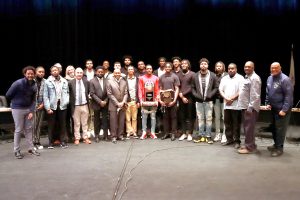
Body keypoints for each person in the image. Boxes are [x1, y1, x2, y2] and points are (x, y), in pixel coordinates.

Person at [6, 66, 40, 159]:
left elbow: (34, 99)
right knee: (18, 130)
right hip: (17, 109)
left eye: (32, 74)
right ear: (25, 74)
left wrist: (31, 111)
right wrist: (17, 101)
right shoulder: (18, 83)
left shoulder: (34, 84)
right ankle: (16, 150)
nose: (30, 75)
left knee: (29, 129)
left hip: (28, 109)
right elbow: (8, 95)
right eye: (28, 73)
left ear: (34, 74)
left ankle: (31, 148)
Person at [264, 62, 293, 157]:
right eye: (272, 68)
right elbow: (268, 92)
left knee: (280, 129)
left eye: (276, 68)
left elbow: (288, 96)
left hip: (282, 110)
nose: (274, 70)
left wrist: (284, 110)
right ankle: (275, 144)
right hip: (273, 108)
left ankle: (279, 148)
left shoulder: (285, 79)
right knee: (274, 128)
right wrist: (267, 103)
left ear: (280, 68)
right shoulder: (270, 78)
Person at [237, 61, 261, 154]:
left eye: (249, 67)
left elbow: (255, 95)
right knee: (248, 127)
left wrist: (250, 108)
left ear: (253, 67)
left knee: (249, 128)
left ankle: (249, 148)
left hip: (250, 108)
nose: (246, 68)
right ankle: (251, 145)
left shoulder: (255, 78)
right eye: (245, 66)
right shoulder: (248, 77)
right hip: (246, 107)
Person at [192, 58, 218, 144]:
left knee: (209, 119)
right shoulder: (195, 75)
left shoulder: (213, 75)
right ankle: (200, 135)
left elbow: (216, 87)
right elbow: (192, 88)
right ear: (200, 65)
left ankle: (208, 136)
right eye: (202, 64)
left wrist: (210, 95)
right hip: (199, 101)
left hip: (209, 101)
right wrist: (196, 96)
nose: (203, 65)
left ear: (208, 65)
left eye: (205, 64)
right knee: (200, 118)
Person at [44, 65, 69, 149]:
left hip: (62, 105)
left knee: (63, 124)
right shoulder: (47, 82)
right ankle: (51, 142)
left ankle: (63, 141)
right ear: (51, 72)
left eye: (56, 70)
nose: (55, 71)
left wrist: (66, 101)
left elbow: (67, 93)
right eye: (53, 70)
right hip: (52, 106)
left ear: (59, 71)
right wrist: (48, 108)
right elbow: (45, 96)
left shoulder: (64, 81)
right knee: (51, 125)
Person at [219, 63, 244, 148]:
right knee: (227, 123)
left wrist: (232, 99)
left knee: (236, 124)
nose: (230, 70)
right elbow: (220, 90)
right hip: (226, 105)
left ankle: (237, 141)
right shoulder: (224, 78)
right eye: (229, 68)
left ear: (236, 69)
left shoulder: (240, 78)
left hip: (236, 106)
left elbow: (241, 91)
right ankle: (229, 139)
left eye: (232, 68)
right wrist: (226, 98)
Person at [68, 67, 91, 145]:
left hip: (85, 105)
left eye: (81, 73)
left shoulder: (86, 82)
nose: (79, 74)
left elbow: (88, 92)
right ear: (75, 73)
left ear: (82, 74)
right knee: (76, 123)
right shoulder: (70, 83)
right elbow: (69, 94)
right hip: (76, 106)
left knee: (85, 123)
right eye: (77, 72)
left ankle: (85, 137)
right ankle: (77, 138)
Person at [159, 62, 180, 141]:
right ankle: (166, 133)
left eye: (169, 67)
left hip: (172, 101)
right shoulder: (161, 77)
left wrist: (174, 100)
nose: (167, 68)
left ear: (171, 68)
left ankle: (173, 133)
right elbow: (160, 89)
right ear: (164, 68)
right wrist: (160, 100)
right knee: (165, 117)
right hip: (164, 101)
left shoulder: (175, 76)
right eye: (166, 67)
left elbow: (177, 88)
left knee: (173, 117)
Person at [106, 68, 128, 144]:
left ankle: (120, 136)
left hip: (122, 104)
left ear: (120, 73)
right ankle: (113, 137)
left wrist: (123, 102)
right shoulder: (109, 81)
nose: (117, 74)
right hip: (113, 105)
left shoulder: (124, 81)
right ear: (113, 73)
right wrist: (117, 103)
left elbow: (126, 93)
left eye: (119, 73)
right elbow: (109, 94)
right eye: (116, 73)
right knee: (113, 122)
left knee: (121, 121)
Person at [139, 64, 160, 139]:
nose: (149, 70)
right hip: (144, 100)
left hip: (153, 100)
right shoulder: (141, 78)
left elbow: (157, 89)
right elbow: (140, 89)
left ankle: (153, 132)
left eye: (150, 69)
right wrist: (141, 100)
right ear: (145, 69)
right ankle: (144, 132)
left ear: (152, 70)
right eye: (147, 69)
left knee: (153, 117)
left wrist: (157, 99)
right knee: (144, 117)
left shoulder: (156, 78)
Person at [90, 66, 109, 142]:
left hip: (105, 103)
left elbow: (109, 93)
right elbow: (92, 93)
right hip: (96, 103)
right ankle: (97, 136)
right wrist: (100, 102)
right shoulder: (92, 81)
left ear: (103, 72)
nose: (100, 73)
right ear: (96, 72)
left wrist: (105, 101)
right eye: (99, 72)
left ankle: (106, 136)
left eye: (102, 72)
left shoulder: (107, 80)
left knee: (105, 120)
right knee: (96, 121)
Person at [177, 59, 196, 141]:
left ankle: (190, 134)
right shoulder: (179, 75)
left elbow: (192, 87)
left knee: (190, 116)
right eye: (182, 63)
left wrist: (183, 95)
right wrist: (181, 95)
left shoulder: (192, 74)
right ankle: (184, 133)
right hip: (181, 98)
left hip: (190, 98)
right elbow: (178, 86)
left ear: (188, 65)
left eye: (185, 63)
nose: (184, 65)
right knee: (182, 116)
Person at [213, 61, 228, 143]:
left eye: (220, 66)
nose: (218, 67)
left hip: (225, 99)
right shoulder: (214, 76)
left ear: (223, 67)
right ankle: (217, 134)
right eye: (217, 66)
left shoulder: (227, 75)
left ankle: (224, 134)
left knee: (224, 118)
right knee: (217, 118)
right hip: (216, 99)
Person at [33, 66, 46, 150]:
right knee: (33, 125)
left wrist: (43, 104)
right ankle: (32, 142)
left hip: (41, 106)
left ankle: (37, 141)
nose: (41, 73)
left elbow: (47, 94)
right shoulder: (31, 81)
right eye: (39, 72)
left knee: (39, 125)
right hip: (32, 106)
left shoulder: (45, 82)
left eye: (42, 72)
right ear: (36, 72)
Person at [125, 65, 140, 139]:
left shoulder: (137, 79)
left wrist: (138, 101)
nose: (130, 70)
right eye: (129, 69)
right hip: (127, 101)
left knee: (134, 118)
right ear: (127, 70)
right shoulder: (124, 79)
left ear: (134, 71)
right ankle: (128, 132)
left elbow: (139, 91)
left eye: (132, 69)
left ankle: (134, 132)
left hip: (135, 101)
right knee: (128, 118)